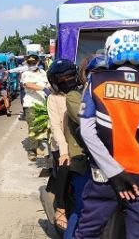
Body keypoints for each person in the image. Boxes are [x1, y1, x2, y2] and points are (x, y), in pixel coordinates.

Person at [74, 30, 139, 239]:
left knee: (87, 233)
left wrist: (115, 172)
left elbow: (87, 131)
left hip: (104, 177)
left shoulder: (96, 82)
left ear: (111, 52)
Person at [63, 54, 107, 239]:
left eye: (105, 72)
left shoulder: (111, 97)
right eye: (94, 72)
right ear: (84, 73)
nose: (99, 76)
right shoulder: (75, 96)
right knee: (84, 210)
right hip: (84, 161)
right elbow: (86, 122)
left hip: (109, 162)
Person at [46, 59, 79, 231]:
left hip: (79, 142)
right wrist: (65, 151)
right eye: (62, 79)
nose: (66, 81)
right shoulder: (53, 99)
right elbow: (56, 127)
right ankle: (60, 206)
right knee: (65, 167)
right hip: (61, 145)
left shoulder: (81, 94)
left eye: (69, 77)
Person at [20, 54, 50, 161]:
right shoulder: (25, 74)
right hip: (31, 104)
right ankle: (32, 150)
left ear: (38, 62)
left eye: (33, 63)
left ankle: (42, 149)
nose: (32, 65)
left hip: (43, 104)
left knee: (43, 127)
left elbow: (49, 85)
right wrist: (43, 89)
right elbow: (28, 85)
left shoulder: (43, 73)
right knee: (33, 127)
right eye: (29, 63)